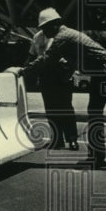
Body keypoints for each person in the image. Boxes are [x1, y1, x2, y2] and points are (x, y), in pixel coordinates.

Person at [19, 7, 106, 172]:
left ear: (55, 24)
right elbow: (71, 62)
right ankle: (97, 157)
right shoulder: (68, 37)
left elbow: (48, 59)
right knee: (94, 113)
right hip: (100, 74)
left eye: (45, 28)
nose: (44, 32)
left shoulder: (64, 36)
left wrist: (24, 71)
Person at [25, 9, 79, 151]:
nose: (43, 29)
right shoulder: (37, 37)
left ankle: (72, 139)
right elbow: (32, 55)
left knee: (66, 107)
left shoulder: (62, 36)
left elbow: (73, 57)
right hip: (45, 76)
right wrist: (27, 70)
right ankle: (57, 139)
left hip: (62, 74)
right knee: (50, 108)